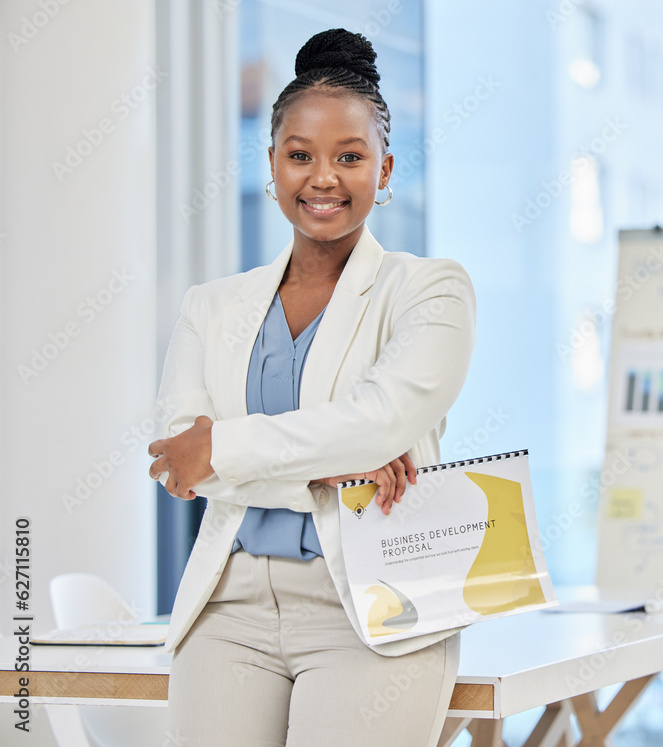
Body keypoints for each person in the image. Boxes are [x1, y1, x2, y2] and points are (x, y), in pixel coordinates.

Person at [146, 28, 475, 747]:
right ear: (272, 164)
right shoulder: (211, 305)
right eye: (301, 155)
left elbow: (378, 421)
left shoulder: (430, 291)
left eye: (349, 157)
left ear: (385, 171)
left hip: (372, 603)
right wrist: (340, 466)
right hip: (227, 605)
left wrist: (228, 453)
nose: (322, 177)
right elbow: (182, 460)